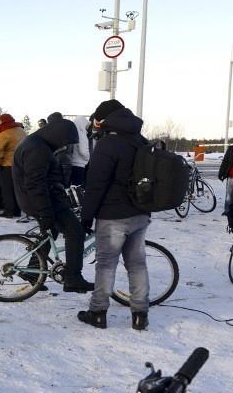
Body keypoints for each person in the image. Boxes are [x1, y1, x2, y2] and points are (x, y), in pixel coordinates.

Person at [77, 99, 150, 330]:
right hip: (140, 212)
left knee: (106, 265)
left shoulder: (109, 144)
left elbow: (96, 184)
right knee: (137, 264)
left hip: (112, 216)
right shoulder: (141, 140)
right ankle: (140, 316)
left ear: (106, 119)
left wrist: (87, 216)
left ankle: (98, 312)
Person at [12, 117, 94, 292]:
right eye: (64, 142)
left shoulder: (39, 144)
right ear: (57, 136)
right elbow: (35, 184)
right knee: (75, 232)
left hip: (41, 199)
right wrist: (45, 212)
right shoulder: (38, 149)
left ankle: (32, 272)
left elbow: (46, 179)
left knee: (50, 233)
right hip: (39, 201)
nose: (64, 146)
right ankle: (73, 277)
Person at [0, 113, 25, 218]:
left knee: (7, 189)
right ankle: (17, 210)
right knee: (17, 189)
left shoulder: (5, 132)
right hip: (20, 164)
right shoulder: (21, 131)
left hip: (8, 164)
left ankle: (9, 211)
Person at [47, 112, 74, 187]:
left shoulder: (60, 130)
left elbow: (64, 147)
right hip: (67, 160)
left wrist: (53, 152)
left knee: (60, 186)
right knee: (65, 186)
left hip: (61, 161)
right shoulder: (68, 128)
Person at [70, 116, 91, 187]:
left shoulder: (73, 133)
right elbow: (83, 150)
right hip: (80, 164)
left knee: (73, 186)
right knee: (78, 187)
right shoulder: (81, 134)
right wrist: (88, 158)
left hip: (72, 162)